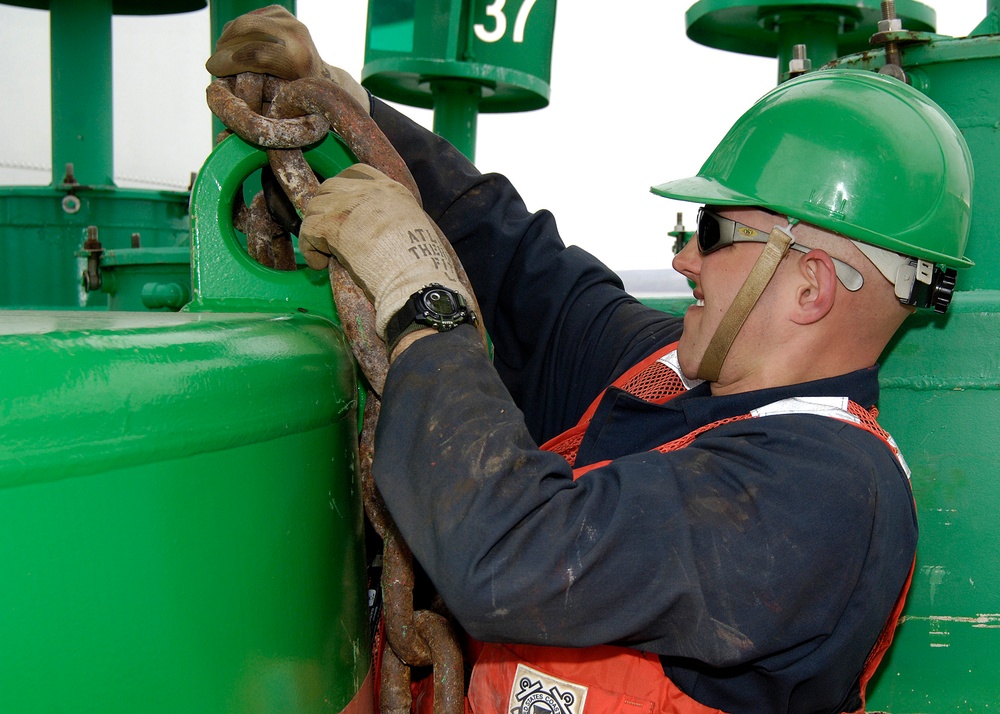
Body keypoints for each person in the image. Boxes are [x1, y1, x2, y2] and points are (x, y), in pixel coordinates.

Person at [207, 7, 974, 713]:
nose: (682, 260)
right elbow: (513, 257)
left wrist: (423, 301)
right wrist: (346, 112)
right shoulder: (671, 372)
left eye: (711, 231)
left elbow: (509, 557)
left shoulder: (824, 501)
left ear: (808, 285)